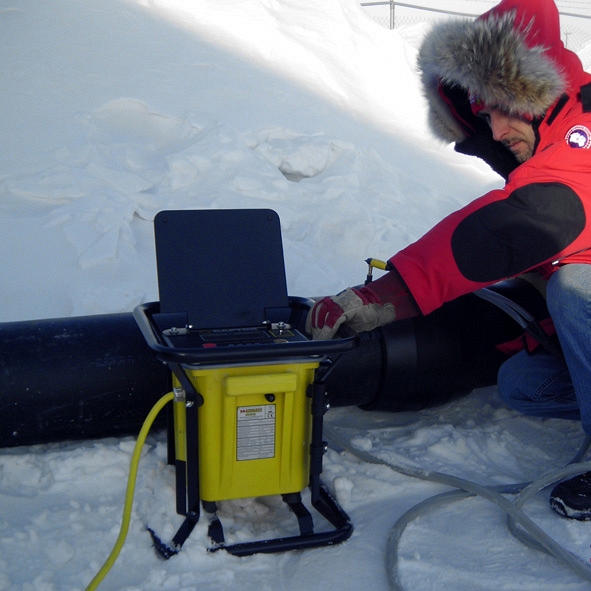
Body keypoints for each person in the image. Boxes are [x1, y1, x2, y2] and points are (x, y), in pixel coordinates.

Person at [307, 0, 591, 520]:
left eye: (500, 108)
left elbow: (527, 217)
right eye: (484, 116)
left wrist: (389, 295)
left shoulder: (585, 131)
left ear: (532, 90)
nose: (496, 131)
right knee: (522, 385)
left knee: (574, 287)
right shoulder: (551, 135)